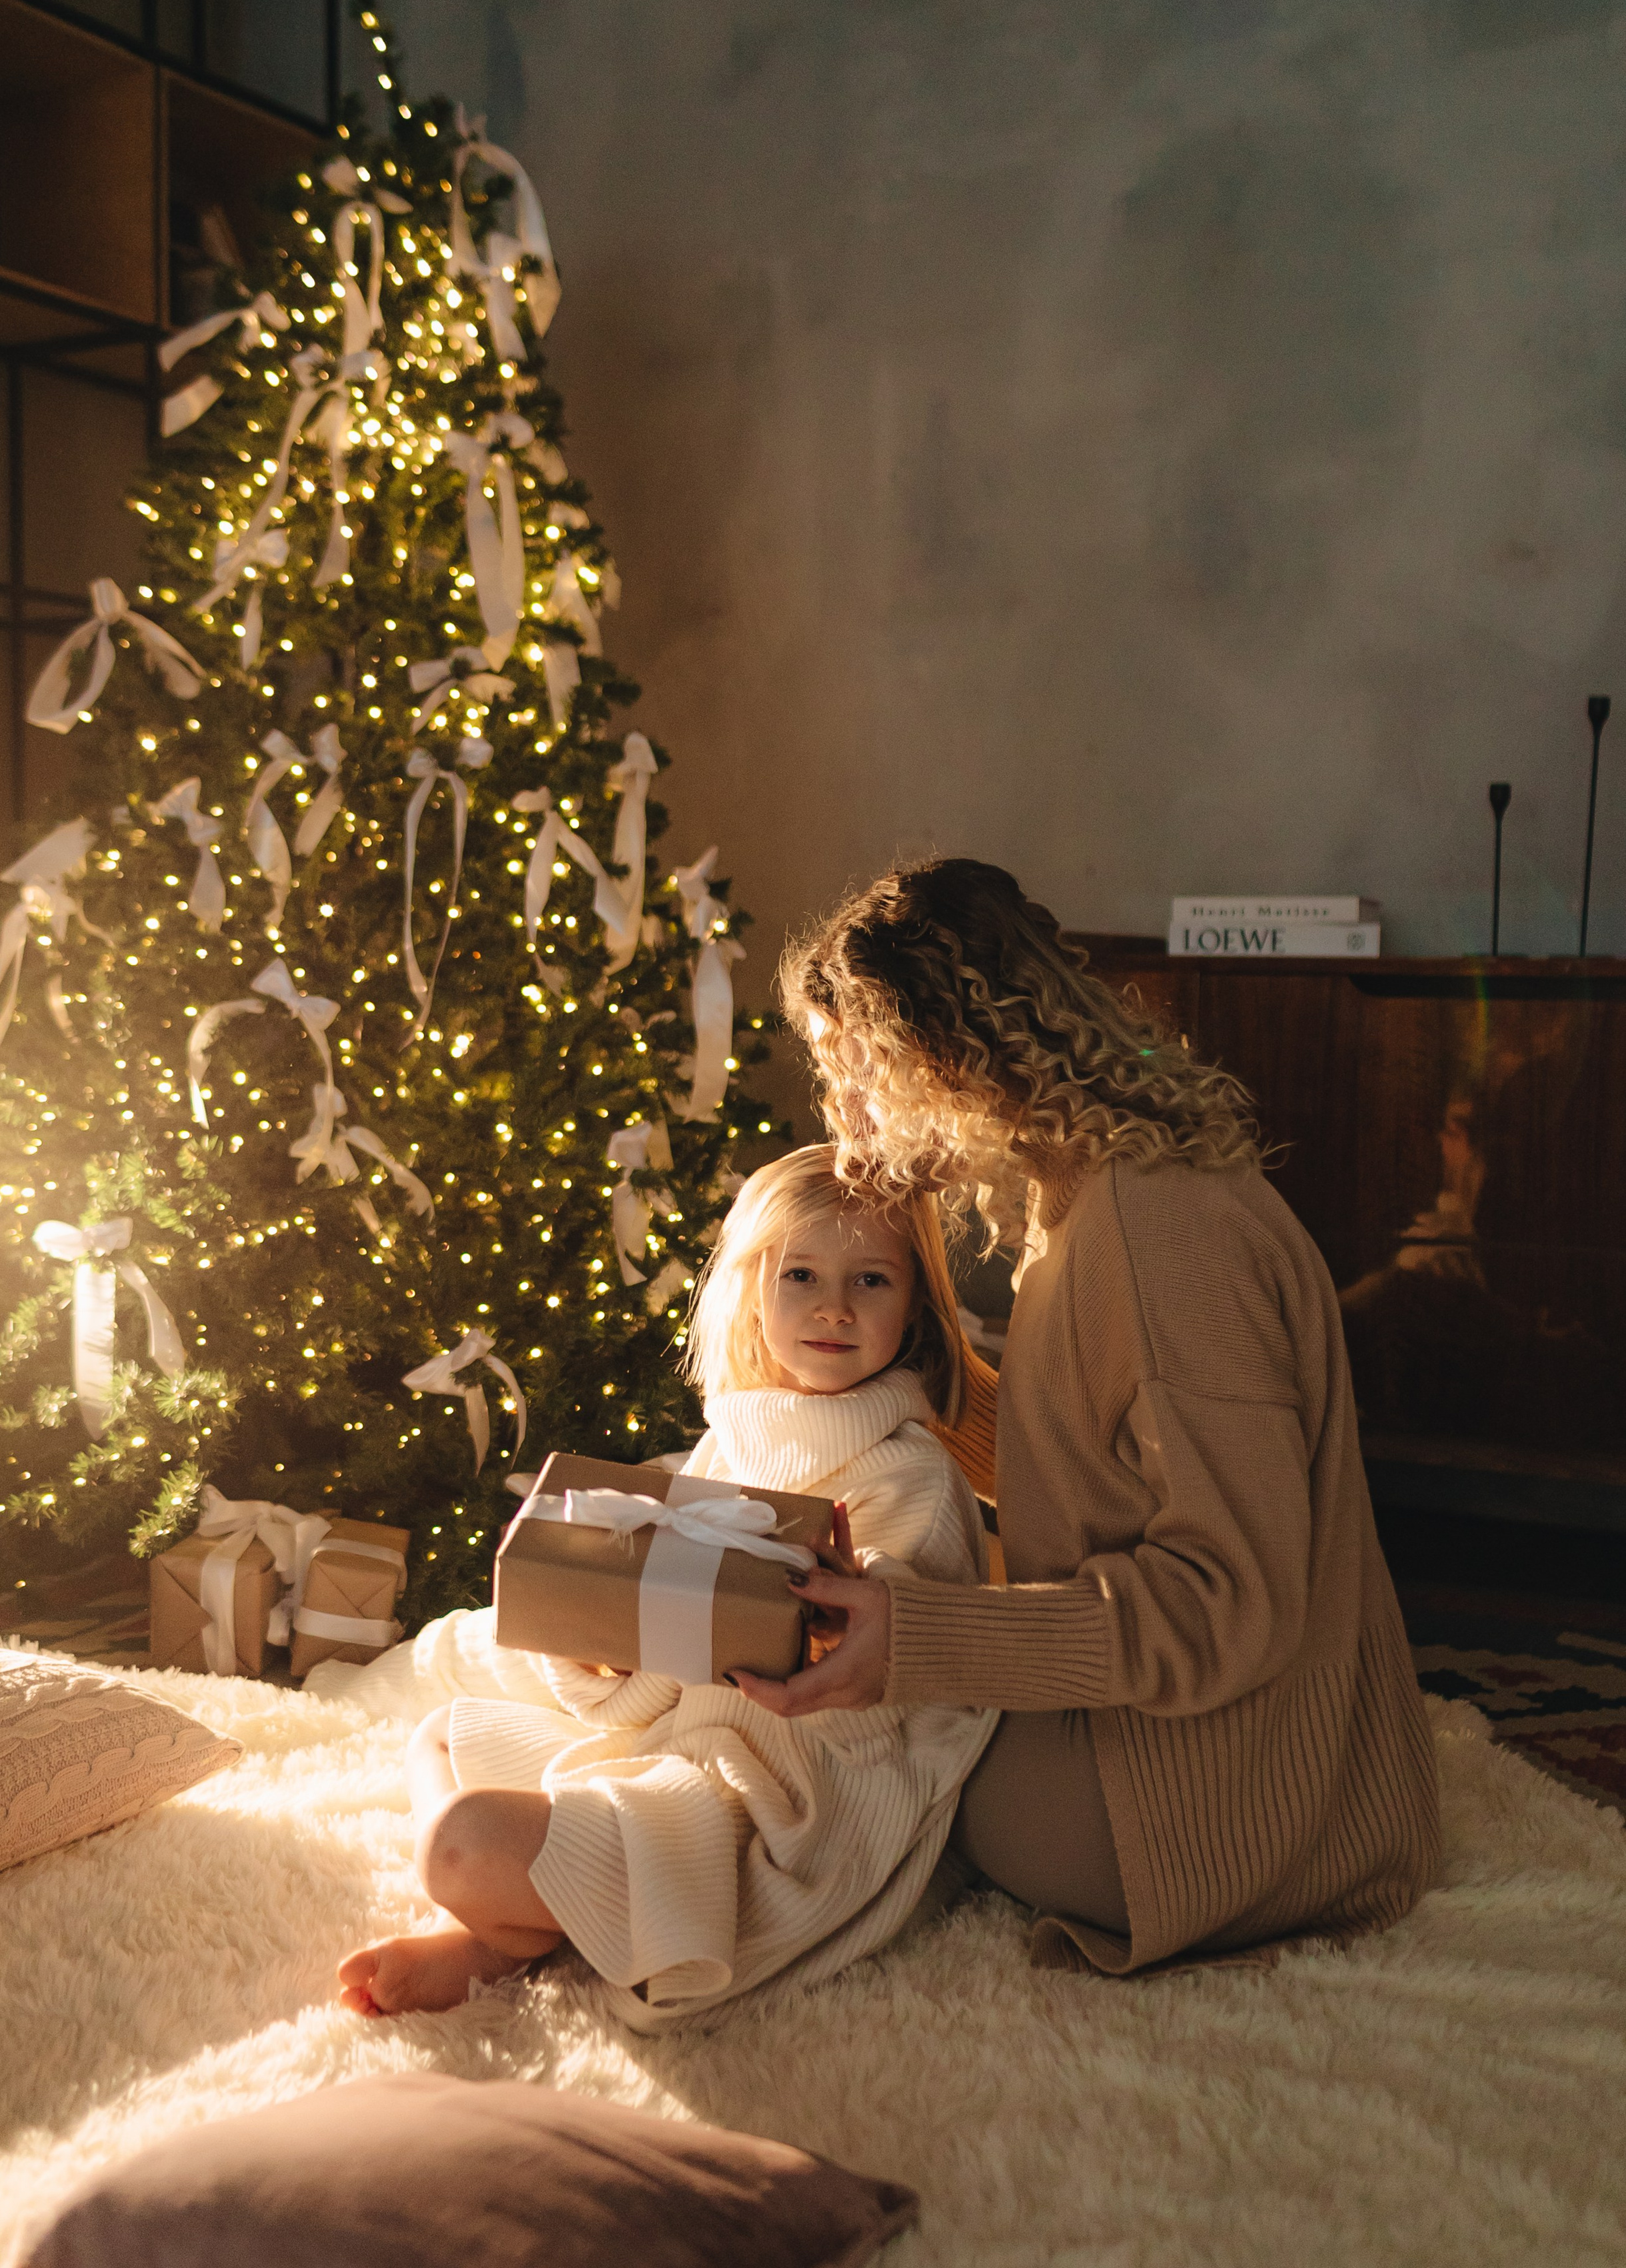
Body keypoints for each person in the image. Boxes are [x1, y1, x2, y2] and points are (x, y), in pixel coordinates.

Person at [730, 858, 1441, 1976]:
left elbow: (1231, 1601)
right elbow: (1086, 1456)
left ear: (930, 1055)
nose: (838, 1117)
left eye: (846, 1072)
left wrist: (919, 1641)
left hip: (1215, 1818)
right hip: (1224, 1757)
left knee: (842, 1757)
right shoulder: (1097, 1179)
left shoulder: (1162, 1237)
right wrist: (918, 1371)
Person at [330, 1146, 997, 2024]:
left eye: (870, 1280)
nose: (834, 1306)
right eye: (802, 1274)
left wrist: (850, 1612)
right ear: (757, 1292)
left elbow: (906, 1727)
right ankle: (536, 1922)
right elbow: (661, 1688)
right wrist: (593, 1643)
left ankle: (521, 1934)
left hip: (781, 1808)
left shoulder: (912, 1479)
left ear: (912, 1307)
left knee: (460, 1847)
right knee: (442, 1739)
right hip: (683, 1749)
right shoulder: (733, 1445)